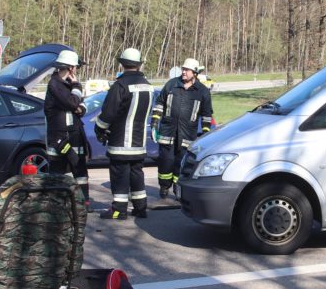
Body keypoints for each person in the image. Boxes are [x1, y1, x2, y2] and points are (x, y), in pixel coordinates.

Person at [94, 48, 153, 219]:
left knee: (120, 175)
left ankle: (119, 210)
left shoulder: (120, 85)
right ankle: (140, 208)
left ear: (122, 63)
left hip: (120, 143)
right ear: (139, 64)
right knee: (136, 174)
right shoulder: (147, 86)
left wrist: (100, 128)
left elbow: (108, 113)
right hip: (139, 143)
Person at [151, 58, 214, 198]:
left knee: (181, 164)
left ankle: (177, 188)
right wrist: (155, 123)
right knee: (165, 162)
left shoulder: (202, 91)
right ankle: (163, 186)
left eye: (187, 70)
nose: (184, 72)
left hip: (187, 136)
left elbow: (206, 115)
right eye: (183, 69)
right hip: (167, 133)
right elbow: (159, 104)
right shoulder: (171, 85)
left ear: (195, 73)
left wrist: (205, 133)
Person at [44, 49, 92, 211]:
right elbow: (72, 103)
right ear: (71, 68)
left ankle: (83, 203)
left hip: (75, 135)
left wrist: (78, 104)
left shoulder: (68, 85)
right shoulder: (55, 84)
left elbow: (81, 107)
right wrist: (77, 88)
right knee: (57, 171)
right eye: (76, 67)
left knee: (80, 171)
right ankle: (55, 206)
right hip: (59, 138)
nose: (77, 70)